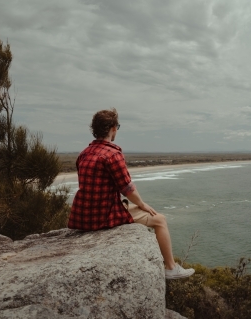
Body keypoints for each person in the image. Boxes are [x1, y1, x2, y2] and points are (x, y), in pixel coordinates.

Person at [68, 108, 194, 279]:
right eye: (117, 127)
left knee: (139, 211)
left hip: (82, 216)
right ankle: (171, 267)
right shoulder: (112, 153)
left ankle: (171, 267)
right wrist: (142, 205)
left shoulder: (84, 153)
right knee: (160, 220)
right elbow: (127, 188)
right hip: (102, 215)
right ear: (113, 128)